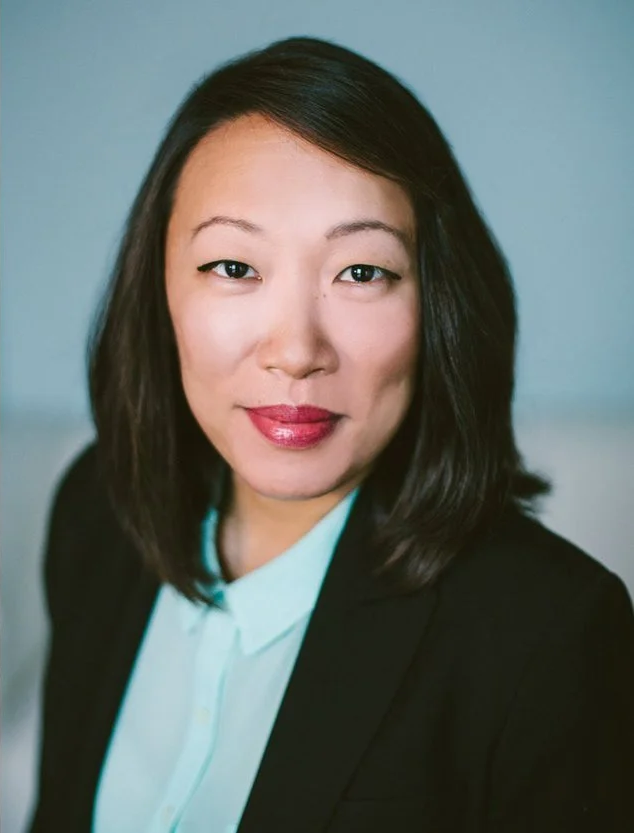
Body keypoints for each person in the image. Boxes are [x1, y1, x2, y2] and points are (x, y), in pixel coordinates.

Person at [32, 37, 634, 830]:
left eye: (362, 272)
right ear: (160, 290)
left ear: (437, 307)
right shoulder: (95, 511)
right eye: (234, 267)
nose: (296, 351)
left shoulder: (553, 634)